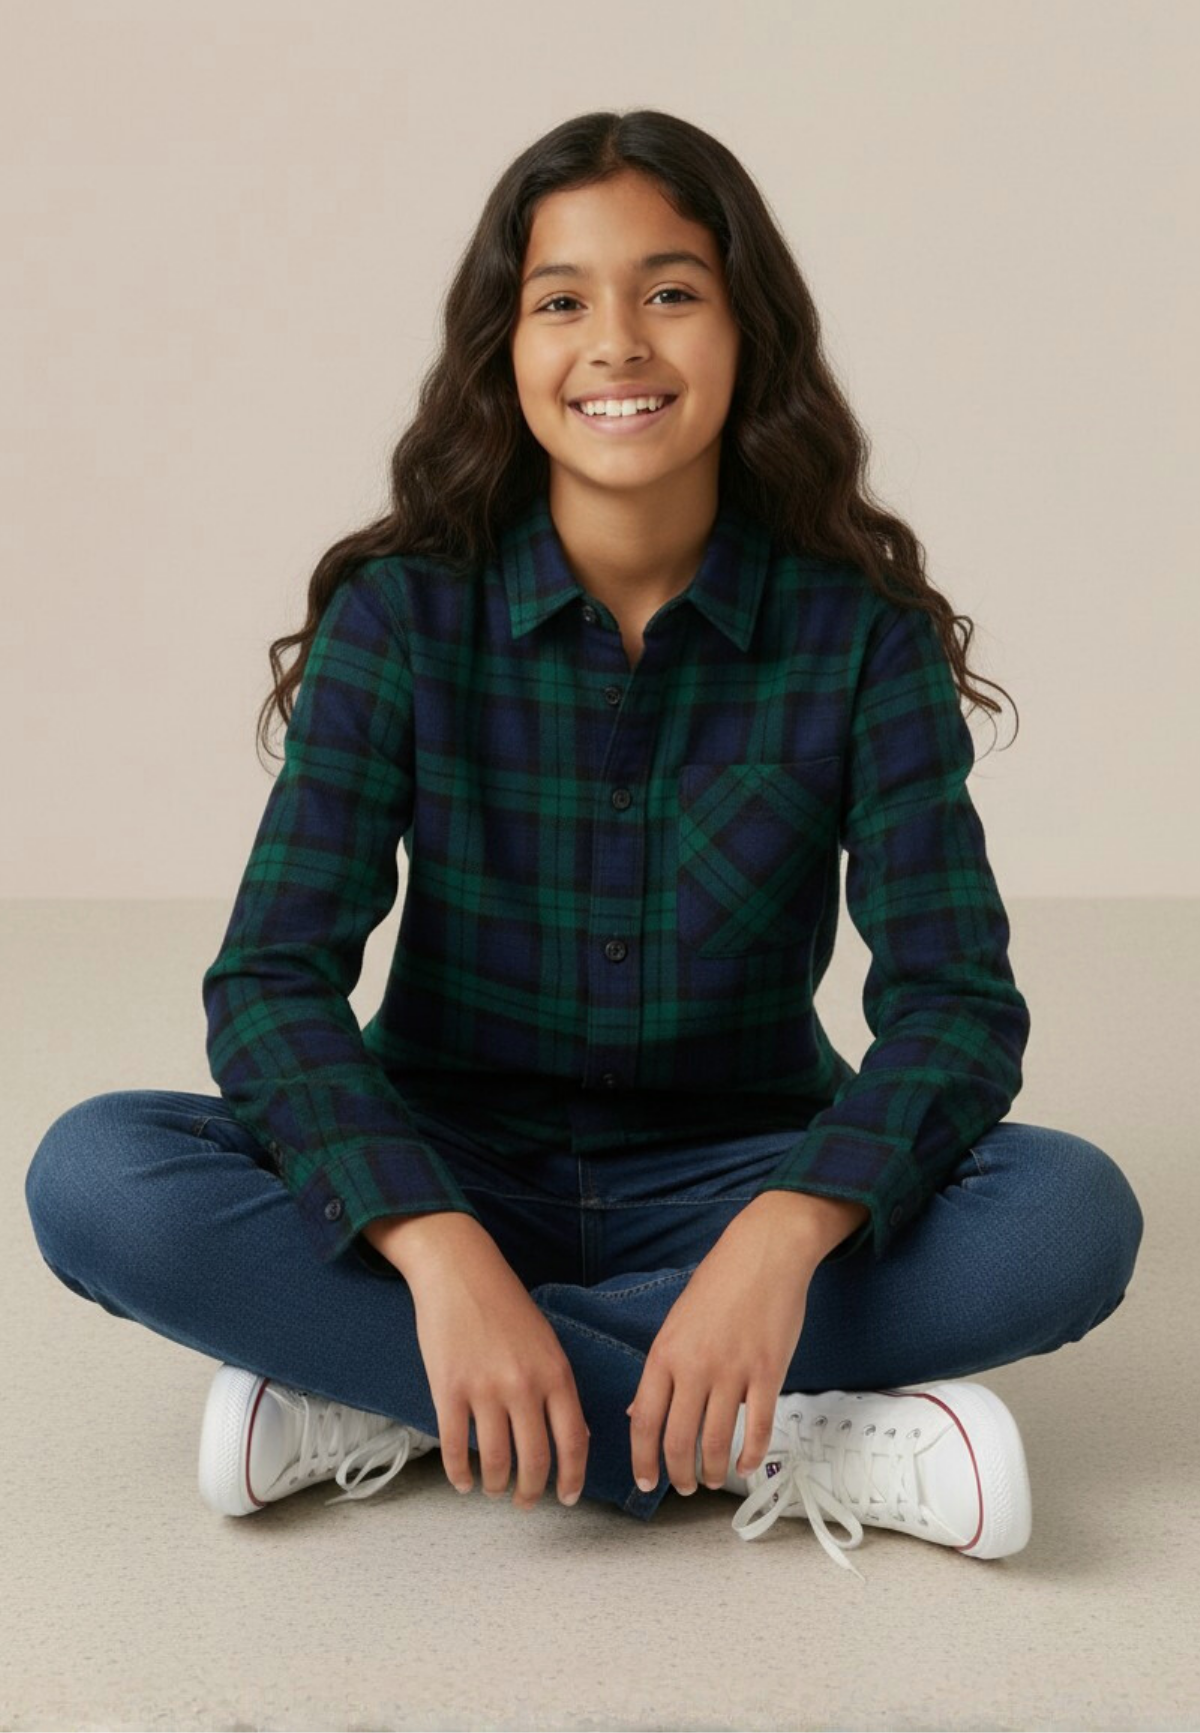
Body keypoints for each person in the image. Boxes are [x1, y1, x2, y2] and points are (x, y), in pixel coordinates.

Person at [24, 109, 1143, 1583]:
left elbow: (955, 1006)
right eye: (562, 301)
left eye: (671, 291)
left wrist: (783, 1238)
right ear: (507, 349)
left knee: (1070, 1218)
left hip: (736, 1169)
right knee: (94, 1173)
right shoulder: (406, 618)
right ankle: (777, 1430)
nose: (616, 341)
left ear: (751, 336)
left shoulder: (856, 641)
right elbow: (274, 983)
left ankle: (404, 1396)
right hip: (448, 1161)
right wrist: (431, 1246)